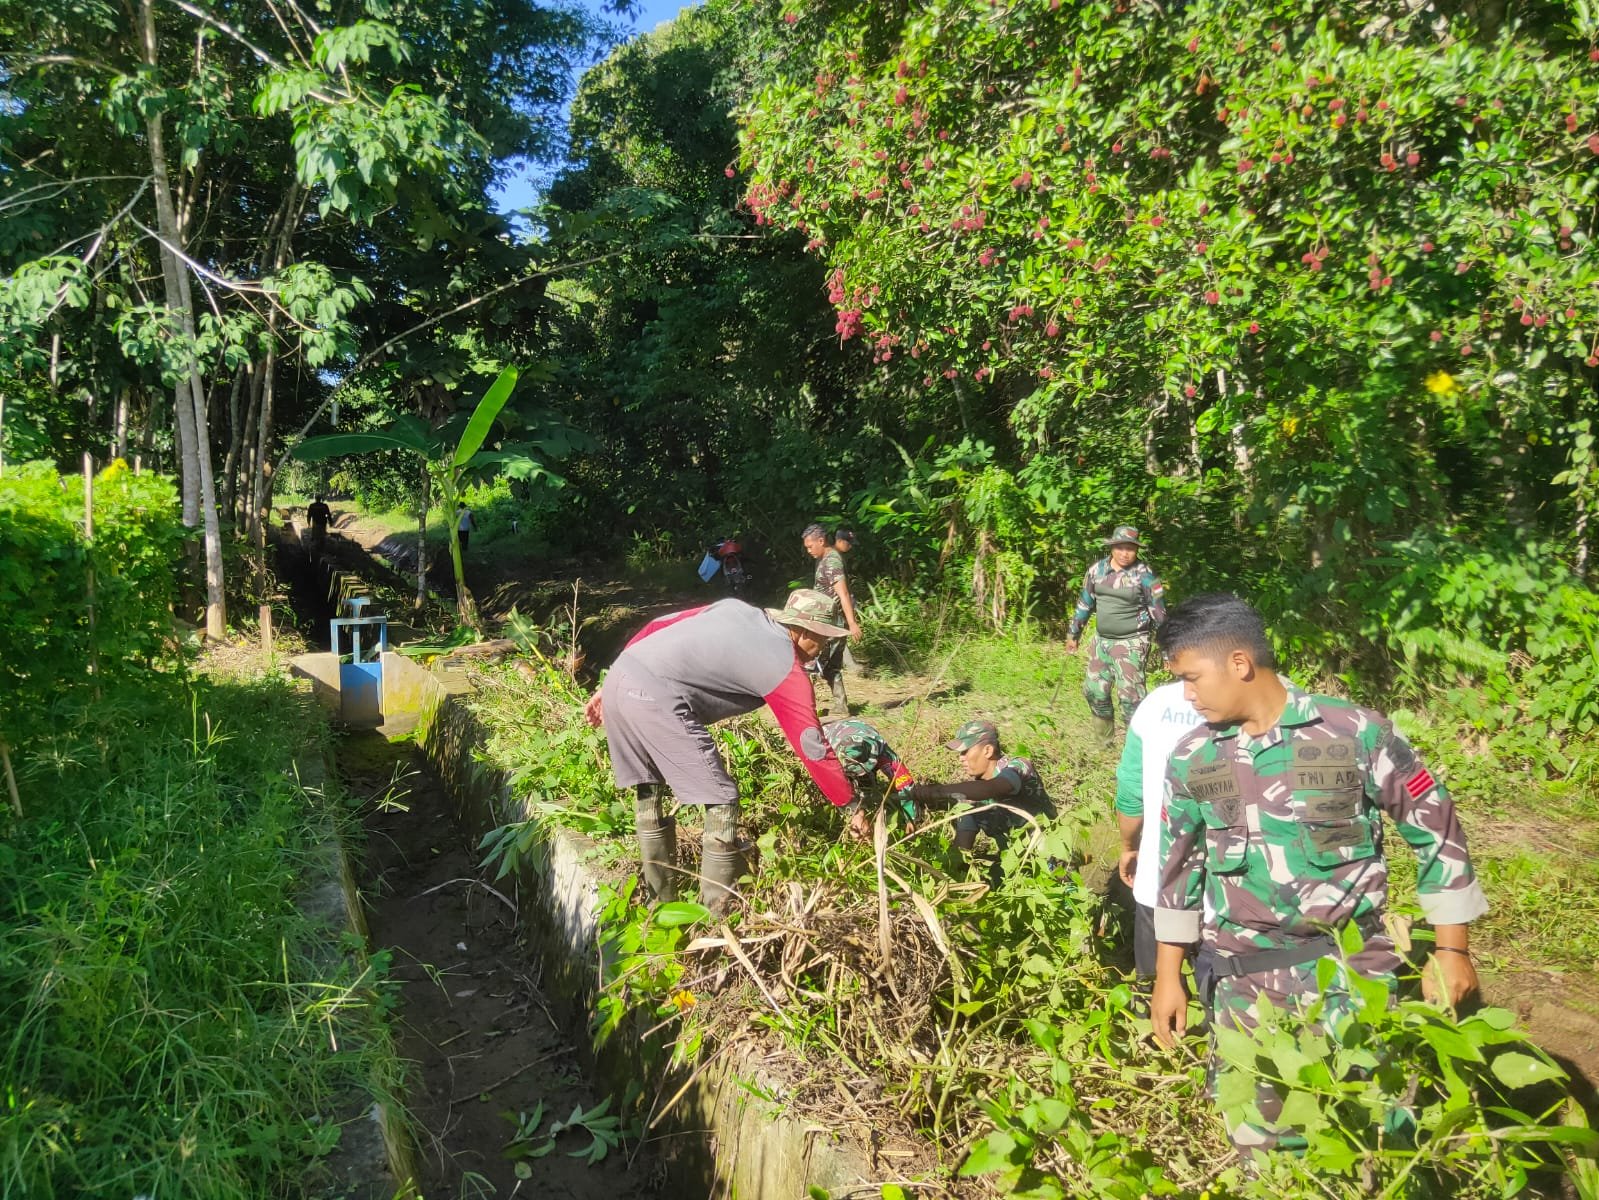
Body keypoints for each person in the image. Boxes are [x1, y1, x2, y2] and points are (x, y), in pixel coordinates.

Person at [1149, 593, 1488, 1157]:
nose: (1187, 695)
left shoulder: (1353, 732)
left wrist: (1452, 949)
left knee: (1374, 1136)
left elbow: (1436, 828)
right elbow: (1179, 868)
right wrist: (1169, 974)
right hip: (1243, 986)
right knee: (1265, 1150)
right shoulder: (1194, 757)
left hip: (1352, 976)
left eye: (1192, 678)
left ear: (1239, 663)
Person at [583, 589, 854, 914]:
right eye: (822, 640)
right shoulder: (785, 667)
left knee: (649, 787)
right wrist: (850, 806)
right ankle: (717, 918)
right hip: (655, 696)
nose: (821, 649)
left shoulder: (735, 610)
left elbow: (658, 625)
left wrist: (610, 681)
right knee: (722, 798)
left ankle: (660, 908)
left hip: (622, 675)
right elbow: (811, 743)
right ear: (805, 630)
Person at [1113, 680, 1205, 987]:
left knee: (1152, 990)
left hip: (1161, 878)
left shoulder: (1155, 704)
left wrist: (1129, 845)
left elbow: (1130, 794)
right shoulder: (1260, 703)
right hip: (1231, 896)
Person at [910, 719, 1056, 883]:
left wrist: (938, 791)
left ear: (987, 750)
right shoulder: (971, 800)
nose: (961, 758)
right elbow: (961, 850)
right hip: (1017, 870)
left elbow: (994, 788)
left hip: (1052, 860)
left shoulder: (1019, 767)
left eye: (965, 752)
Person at [1065, 524, 1166, 743]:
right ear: (1112, 547)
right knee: (1095, 691)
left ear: (1136, 550)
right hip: (1101, 643)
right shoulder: (1096, 571)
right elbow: (1085, 603)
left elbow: (1159, 614)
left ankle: (1136, 748)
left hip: (1132, 643)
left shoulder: (1145, 576)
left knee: (1131, 698)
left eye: (1130, 548)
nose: (1124, 553)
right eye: (1120, 548)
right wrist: (1074, 633)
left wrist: (1168, 649)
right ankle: (1105, 744)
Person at [823, 717, 917, 839]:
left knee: (866, 785)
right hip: (832, 738)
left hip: (860, 731)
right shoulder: (827, 754)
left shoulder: (881, 750)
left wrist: (910, 818)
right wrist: (855, 812)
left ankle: (867, 802)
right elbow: (831, 784)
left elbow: (904, 783)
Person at [803, 523, 862, 715]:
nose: (808, 550)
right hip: (824, 622)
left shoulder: (832, 561)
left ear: (821, 541)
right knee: (828, 666)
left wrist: (852, 624)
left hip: (833, 624)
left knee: (816, 664)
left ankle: (809, 709)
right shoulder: (822, 559)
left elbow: (843, 593)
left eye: (810, 546)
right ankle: (841, 706)